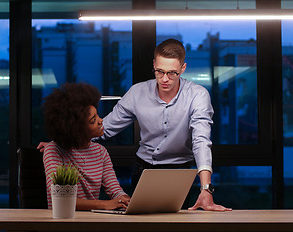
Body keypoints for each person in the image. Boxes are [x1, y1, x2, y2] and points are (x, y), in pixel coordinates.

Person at [39, 39, 231, 212]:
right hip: (144, 169)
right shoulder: (137, 92)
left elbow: (201, 141)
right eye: (160, 71)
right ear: (154, 65)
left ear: (183, 68)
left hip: (178, 171)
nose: (165, 79)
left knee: (175, 225)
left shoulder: (198, 95)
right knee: (140, 224)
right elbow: (105, 128)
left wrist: (206, 188)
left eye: (172, 73)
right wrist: (62, 142)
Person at [42, 82, 131, 211]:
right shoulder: (54, 151)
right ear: (76, 128)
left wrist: (125, 199)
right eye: (93, 120)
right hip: (63, 221)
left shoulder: (100, 152)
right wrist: (104, 204)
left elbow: (114, 189)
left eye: (97, 115)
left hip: (90, 222)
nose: (101, 121)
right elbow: (60, 198)